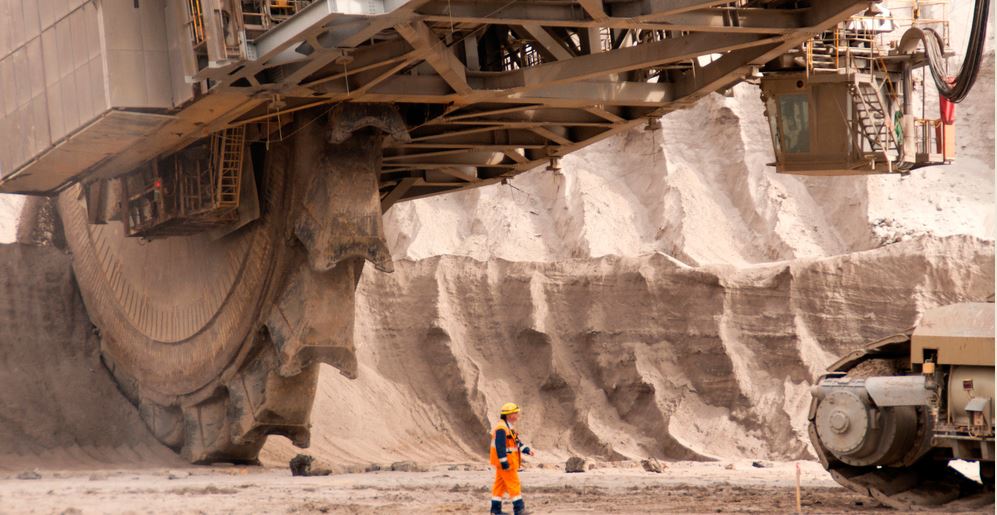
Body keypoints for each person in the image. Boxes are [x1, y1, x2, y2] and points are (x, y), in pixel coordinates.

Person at [489, 402, 535, 515]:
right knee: (514, 483)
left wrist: (527, 450)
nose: (518, 415)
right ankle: (519, 509)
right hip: (506, 463)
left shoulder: (509, 427)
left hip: (507, 462)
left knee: (499, 485)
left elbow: (517, 442)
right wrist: (504, 462)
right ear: (509, 415)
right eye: (516, 413)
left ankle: (495, 511)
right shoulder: (502, 428)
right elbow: (500, 447)